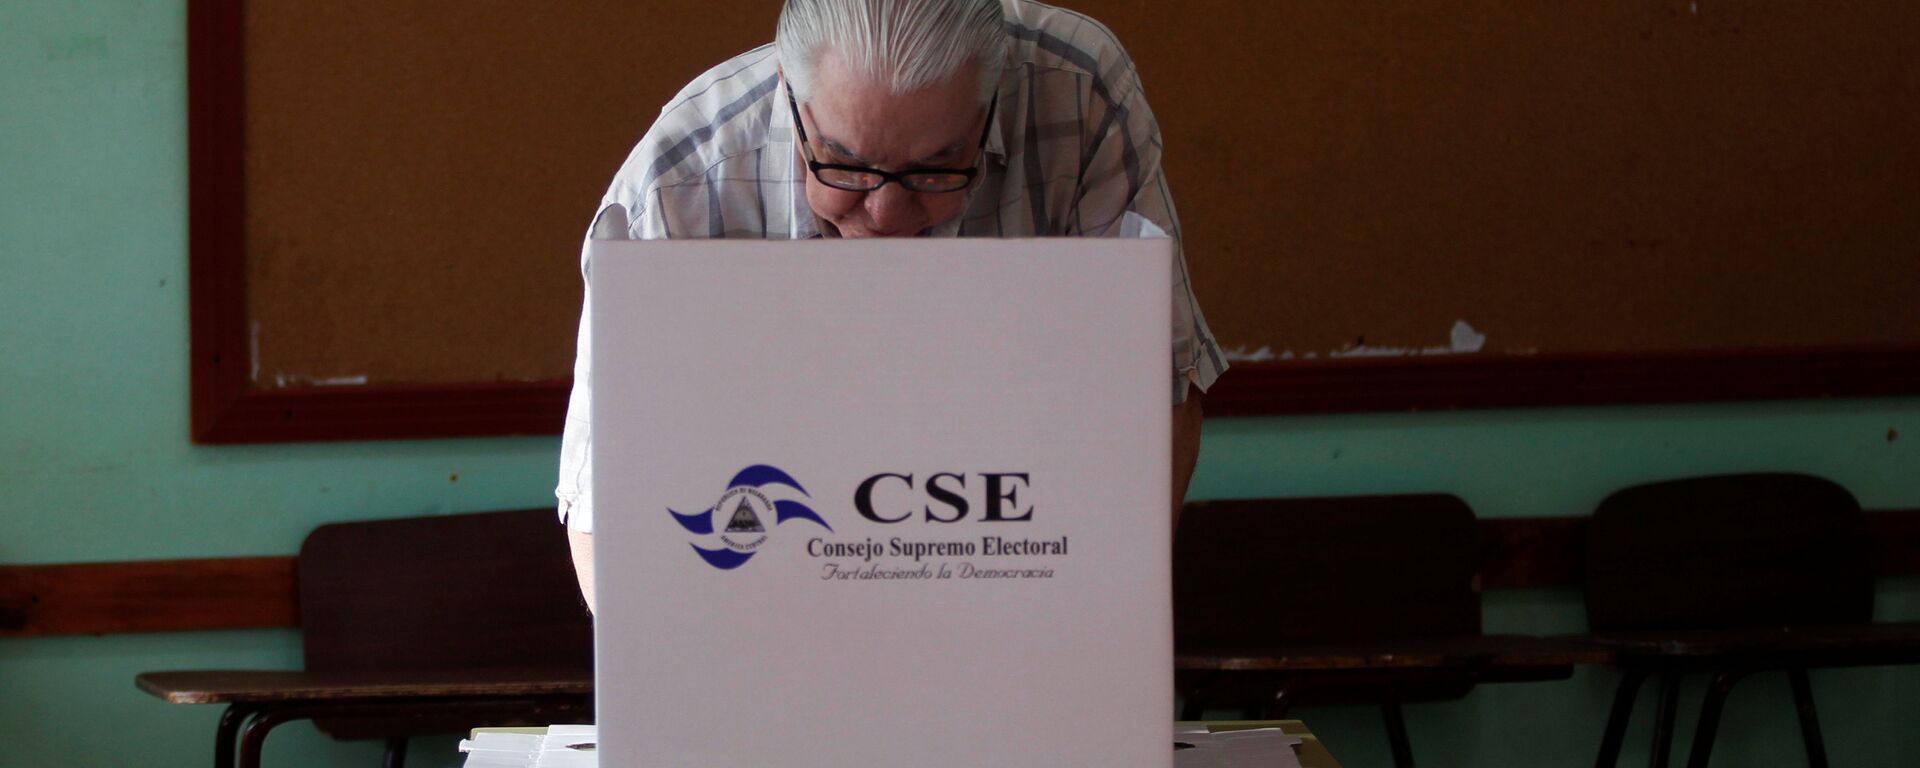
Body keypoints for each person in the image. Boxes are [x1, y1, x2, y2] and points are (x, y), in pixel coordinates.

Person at [557, 0, 1227, 610]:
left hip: (1011, 573)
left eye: (937, 167)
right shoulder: (680, 184)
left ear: (992, 102)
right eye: (844, 166)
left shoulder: (1077, 93)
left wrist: (1097, 624)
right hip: (763, 602)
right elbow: (605, 507)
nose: (886, 214)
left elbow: (1151, 394)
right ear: (792, 95)